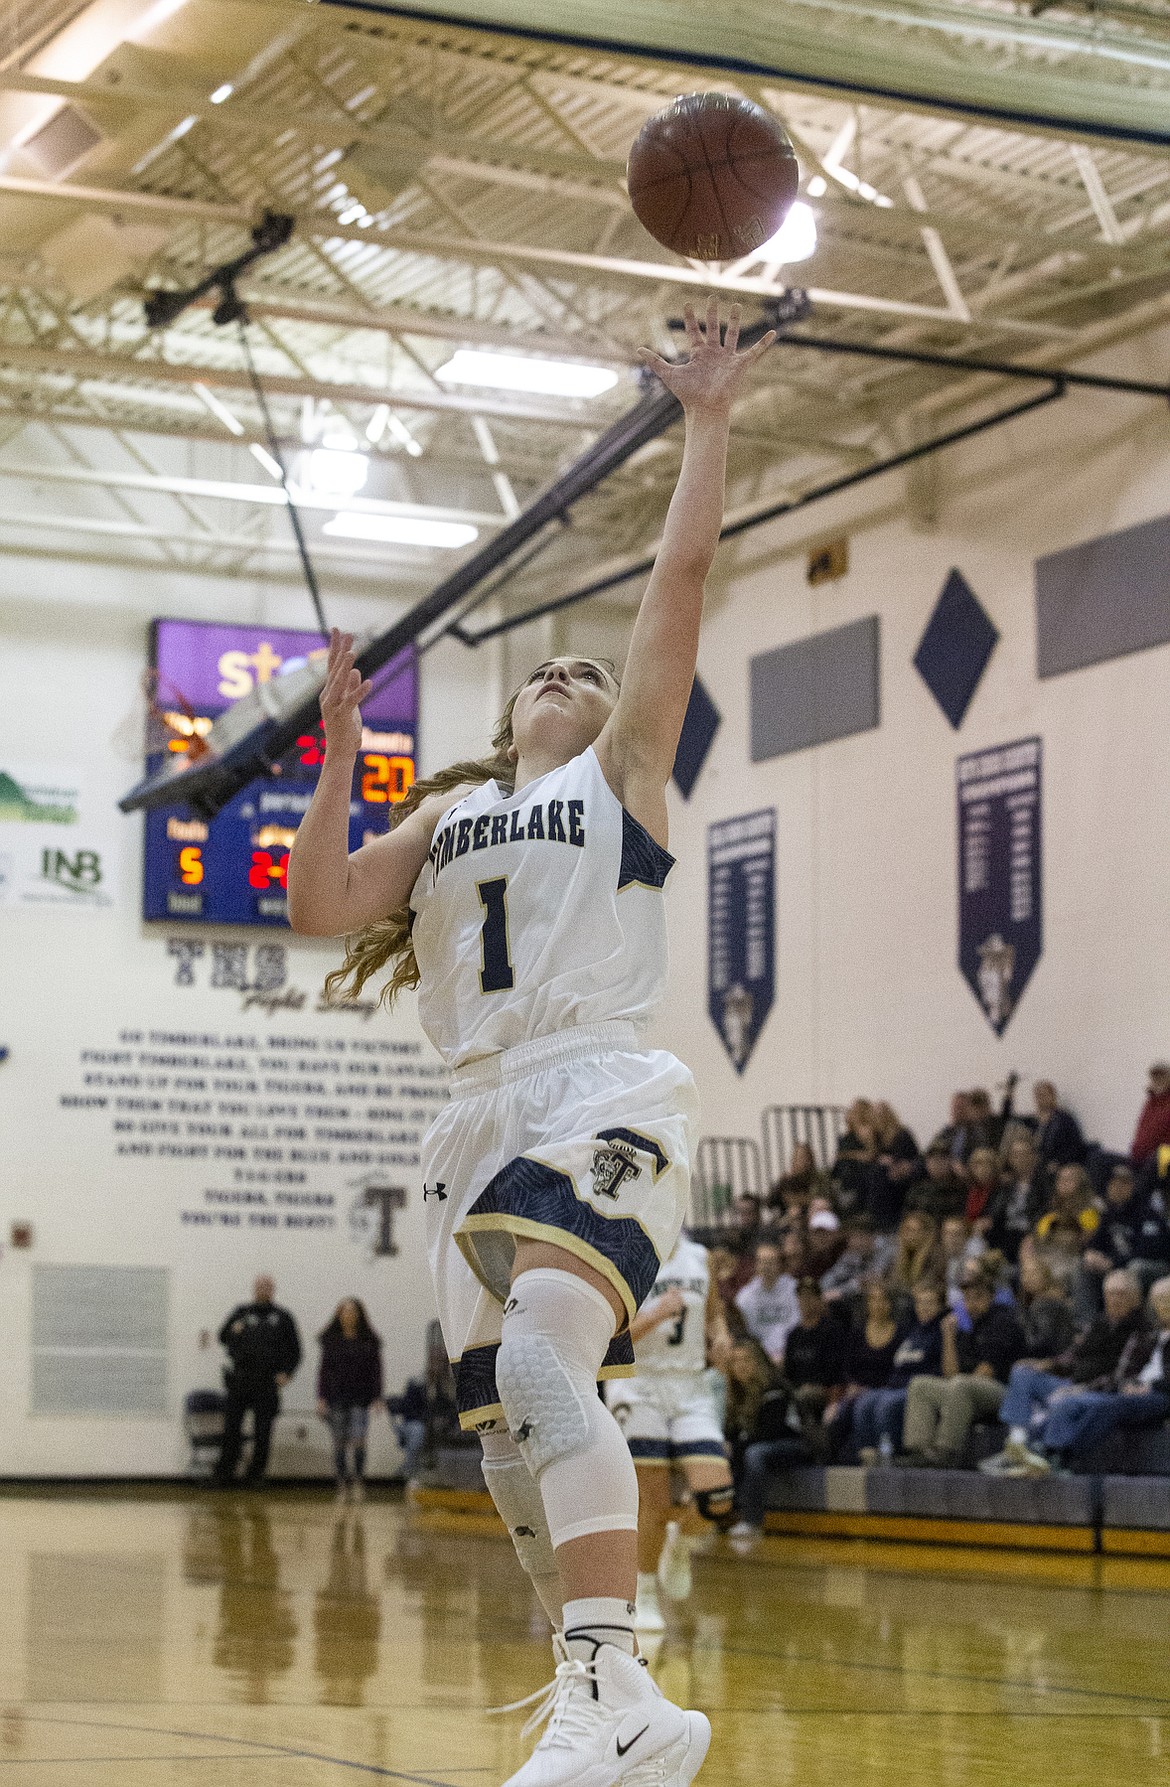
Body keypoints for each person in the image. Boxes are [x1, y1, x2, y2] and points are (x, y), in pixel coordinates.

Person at [288, 300, 774, 1787]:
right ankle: (617, 1695)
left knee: (560, 1374)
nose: (568, 671)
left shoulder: (627, 771)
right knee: (508, 1428)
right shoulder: (446, 820)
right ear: (505, 720)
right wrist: (335, 752)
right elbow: (317, 907)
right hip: (472, 1118)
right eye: (543, 670)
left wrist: (704, 421)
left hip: (599, 1080)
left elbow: (676, 582)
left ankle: (604, 1694)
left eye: (585, 666)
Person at [607, 1231, 734, 1635]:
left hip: (690, 1387)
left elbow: (713, 1313)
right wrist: (657, 1314)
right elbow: (612, 1341)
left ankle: (678, 1540)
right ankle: (643, 1594)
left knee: (718, 1497)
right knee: (653, 1501)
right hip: (639, 1385)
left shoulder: (700, 1256)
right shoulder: (623, 1253)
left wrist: (722, 1336)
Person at [980, 1268, 1147, 1474]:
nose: (1114, 1299)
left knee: (1064, 1402)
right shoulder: (1099, 1322)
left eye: (1121, 1294)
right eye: (1110, 1294)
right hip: (1072, 1384)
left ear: (1136, 1298)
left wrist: (1083, 1388)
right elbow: (1074, 1355)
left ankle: (1049, 1457)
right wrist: (1047, 1364)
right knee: (1023, 1372)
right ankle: (1017, 1442)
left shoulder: (1141, 1330)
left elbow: (1123, 1375)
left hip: (1101, 1391)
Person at [1026, 1277, 1170, 1472]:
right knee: (1073, 1402)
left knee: (1109, 1405)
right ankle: (1031, 1448)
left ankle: (1063, 1453)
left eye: (1167, 1299)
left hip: (1161, 1395)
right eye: (1159, 1300)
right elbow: (1129, 1369)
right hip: (1131, 1388)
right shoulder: (1151, 1335)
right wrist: (1131, 1384)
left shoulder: (1146, 1331)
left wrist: (1150, 1387)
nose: (1163, 1306)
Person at [898, 1260, 1025, 1466]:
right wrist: (948, 1336)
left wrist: (956, 1387)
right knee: (920, 1385)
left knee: (960, 1385)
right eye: (967, 1298)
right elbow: (950, 1373)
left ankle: (945, 1451)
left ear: (991, 1297)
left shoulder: (1002, 1321)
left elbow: (986, 1372)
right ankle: (919, 1451)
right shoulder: (968, 1327)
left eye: (978, 1298)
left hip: (1005, 1393)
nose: (971, 1304)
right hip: (968, 1389)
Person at [214, 1276, 301, 1488]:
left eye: (268, 1286)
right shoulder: (241, 1313)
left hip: (267, 1382)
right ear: (254, 1289)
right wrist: (232, 1332)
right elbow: (222, 1337)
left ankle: (256, 1476)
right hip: (240, 1380)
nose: (264, 1289)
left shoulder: (282, 1317)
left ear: (273, 1290)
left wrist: (287, 1373)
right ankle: (225, 1473)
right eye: (260, 1286)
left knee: (263, 1431)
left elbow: (295, 1351)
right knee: (231, 1428)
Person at [723, 1337, 807, 1548]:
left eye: (746, 1360)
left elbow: (772, 1431)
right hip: (758, 1444)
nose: (740, 1365)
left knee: (754, 1453)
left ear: (757, 1362)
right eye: (735, 1361)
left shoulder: (774, 1388)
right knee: (724, 1453)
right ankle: (721, 1514)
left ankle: (752, 1522)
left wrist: (735, 1446)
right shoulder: (735, 1394)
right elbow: (732, 1433)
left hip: (793, 1444)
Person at [849, 1280, 945, 1463]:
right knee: (863, 1403)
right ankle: (868, 1455)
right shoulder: (913, 1332)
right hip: (894, 1385)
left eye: (929, 1303)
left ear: (939, 1306)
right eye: (920, 1302)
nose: (924, 1308)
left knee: (885, 1405)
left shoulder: (940, 1331)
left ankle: (890, 1455)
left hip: (918, 1388)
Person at [317, 1298, 383, 1503]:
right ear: (339, 1315)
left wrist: (377, 1396)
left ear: (359, 1314)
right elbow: (324, 1372)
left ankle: (358, 1480)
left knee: (358, 1439)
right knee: (339, 1441)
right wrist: (321, 1397)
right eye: (344, 1311)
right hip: (336, 1397)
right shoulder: (331, 1340)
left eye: (352, 1311)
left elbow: (376, 1371)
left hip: (360, 1398)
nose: (348, 1315)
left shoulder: (369, 1340)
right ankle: (342, 1483)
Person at [1080, 1162, 1170, 1300]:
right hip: (1117, 1264)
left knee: (1135, 1268)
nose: (1117, 1188)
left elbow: (1148, 1251)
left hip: (1155, 1266)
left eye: (1123, 1184)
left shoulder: (1147, 1213)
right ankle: (1086, 1319)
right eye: (1114, 1184)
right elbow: (1096, 1243)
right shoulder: (1109, 1214)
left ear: (1132, 1186)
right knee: (1084, 1266)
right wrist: (1091, 1254)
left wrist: (1113, 1263)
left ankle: (1135, 1312)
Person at [780, 1278, 846, 1450]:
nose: (805, 1302)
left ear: (818, 1299)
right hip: (798, 1388)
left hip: (825, 1389)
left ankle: (819, 1449)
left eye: (810, 1297)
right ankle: (794, 1445)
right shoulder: (794, 1334)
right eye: (802, 1298)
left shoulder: (832, 1330)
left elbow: (838, 1368)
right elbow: (788, 1372)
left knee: (804, 1397)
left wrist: (832, 1394)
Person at [734, 1238, 800, 1364]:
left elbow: (797, 1324)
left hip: (791, 1352)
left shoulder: (794, 1289)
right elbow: (745, 1331)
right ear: (756, 1264)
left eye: (771, 1262)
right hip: (758, 1357)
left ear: (780, 1264)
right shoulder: (745, 1296)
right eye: (762, 1262)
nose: (766, 1267)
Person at [985, 1135, 1047, 1263]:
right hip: (1005, 1235)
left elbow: (1044, 1213)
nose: (1020, 1159)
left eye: (1024, 1154)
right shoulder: (1004, 1186)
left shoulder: (1044, 1185)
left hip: (1031, 1235)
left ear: (1034, 1157)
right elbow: (995, 1213)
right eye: (1015, 1155)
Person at [819, 1213, 895, 1305]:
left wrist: (840, 1292)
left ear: (871, 1237)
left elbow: (869, 1280)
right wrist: (820, 1292)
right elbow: (832, 1276)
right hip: (857, 1299)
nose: (853, 1243)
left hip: (886, 1299)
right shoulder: (852, 1253)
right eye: (851, 1238)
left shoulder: (886, 1249)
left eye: (858, 1237)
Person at [1031, 1080, 1084, 1173]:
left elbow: (1076, 1145)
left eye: (1044, 1095)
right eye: (1038, 1096)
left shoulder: (1064, 1119)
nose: (1041, 1099)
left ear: (1053, 1096)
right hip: (1038, 1164)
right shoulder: (1033, 1122)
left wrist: (1059, 1162)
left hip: (1059, 1164)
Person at [1131, 1062, 1170, 1167]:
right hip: (1139, 1159)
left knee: (1154, 1162)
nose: (1158, 1081)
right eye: (1155, 1078)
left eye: (1162, 1077)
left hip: (1162, 1160)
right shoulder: (1150, 1104)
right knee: (1100, 1159)